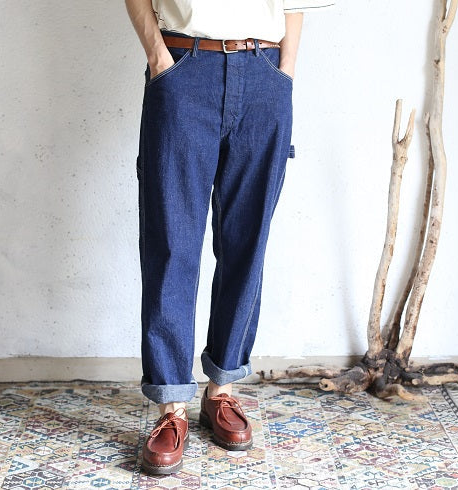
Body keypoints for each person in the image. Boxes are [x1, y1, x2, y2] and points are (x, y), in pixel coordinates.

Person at [124, 0, 334, 475]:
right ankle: (171, 405)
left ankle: (222, 388)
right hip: (183, 66)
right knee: (171, 245)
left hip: (264, 72)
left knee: (246, 243)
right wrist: (158, 59)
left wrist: (284, 74)